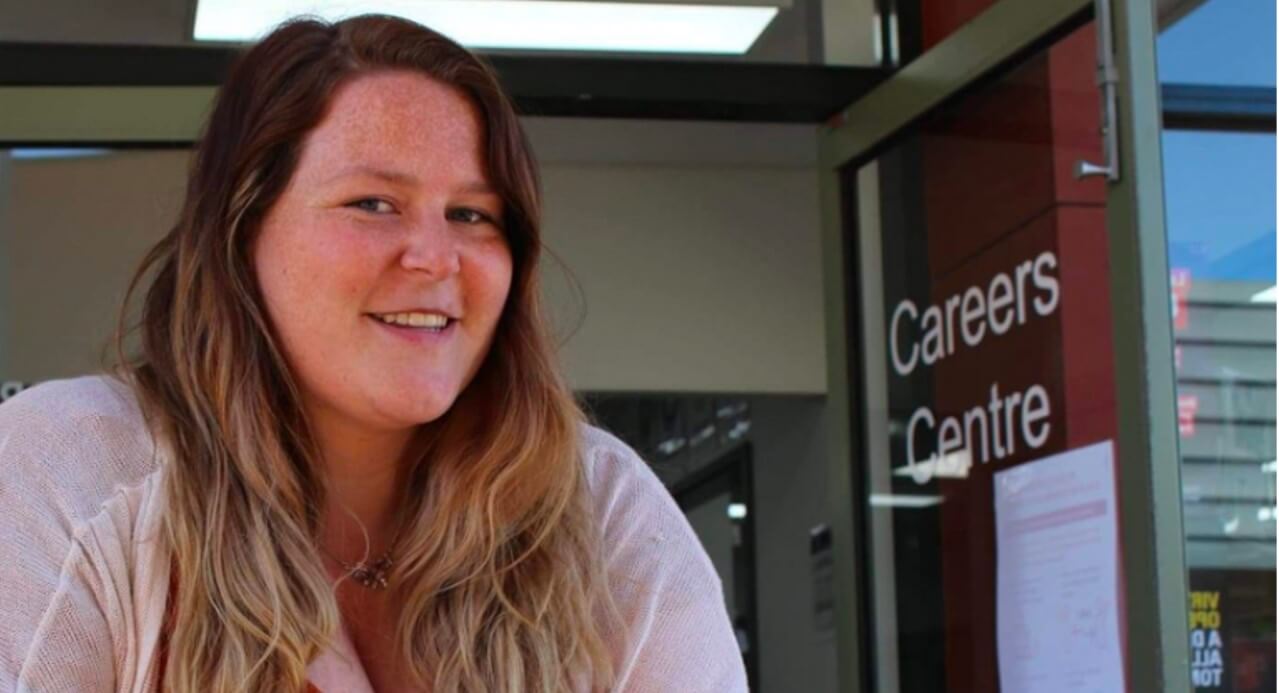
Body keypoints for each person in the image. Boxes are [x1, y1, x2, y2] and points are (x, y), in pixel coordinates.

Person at [0, 14, 746, 692]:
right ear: (240, 231)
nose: (435, 255)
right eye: (373, 204)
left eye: (472, 214)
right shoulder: (71, 472)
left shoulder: (600, 508)